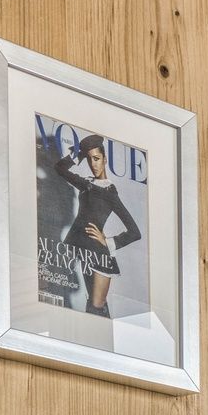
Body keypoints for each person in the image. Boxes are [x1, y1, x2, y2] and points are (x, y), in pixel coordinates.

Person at [50, 133, 142, 317]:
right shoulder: (87, 184)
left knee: (96, 308)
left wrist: (107, 241)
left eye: (97, 159)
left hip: (99, 255)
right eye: (90, 159)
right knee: (88, 306)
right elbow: (60, 168)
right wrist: (81, 153)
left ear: (105, 160)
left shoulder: (110, 192)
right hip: (80, 248)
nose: (93, 164)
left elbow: (135, 232)